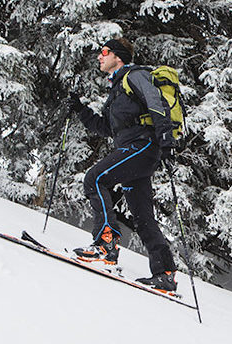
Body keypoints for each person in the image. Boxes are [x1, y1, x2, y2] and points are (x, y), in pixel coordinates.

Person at [69, 37, 178, 292]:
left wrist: (166, 140)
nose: (100, 56)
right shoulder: (117, 89)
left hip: (142, 146)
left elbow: (156, 103)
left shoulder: (135, 76)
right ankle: (164, 273)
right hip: (133, 149)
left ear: (117, 56)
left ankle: (105, 245)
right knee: (142, 216)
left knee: (95, 179)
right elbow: (106, 128)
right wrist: (80, 110)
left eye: (104, 52)